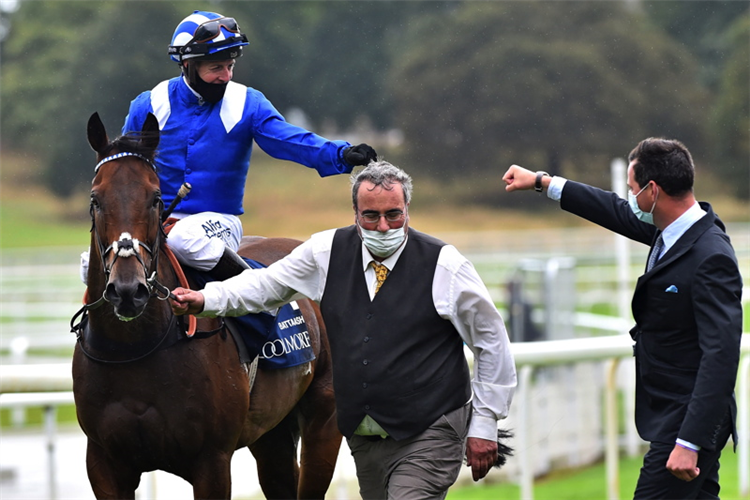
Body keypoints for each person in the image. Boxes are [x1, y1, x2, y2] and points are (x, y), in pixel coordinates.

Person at [171, 161, 517, 499]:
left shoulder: (447, 265)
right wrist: (205, 298)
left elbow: (491, 342)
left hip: (432, 429)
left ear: (407, 209)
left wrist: (485, 422)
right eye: (371, 216)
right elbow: (264, 286)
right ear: (355, 213)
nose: (383, 226)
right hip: (365, 437)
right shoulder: (325, 252)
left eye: (393, 214)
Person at [502, 138, 743, 500]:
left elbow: (721, 355)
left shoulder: (710, 256)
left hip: (688, 421)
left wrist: (690, 440)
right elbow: (612, 210)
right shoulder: (672, 230)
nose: (629, 198)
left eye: (632, 190)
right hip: (672, 414)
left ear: (652, 191)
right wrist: (543, 182)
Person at [80, 10, 376, 283]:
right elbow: (127, 172)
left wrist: (339, 153)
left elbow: (289, 140)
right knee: (89, 263)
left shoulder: (248, 102)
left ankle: (257, 290)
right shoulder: (148, 104)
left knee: (184, 239)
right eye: (216, 67)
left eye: (230, 66)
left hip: (219, 221)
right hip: (155, 220)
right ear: (188, 65)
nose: (226, 75)